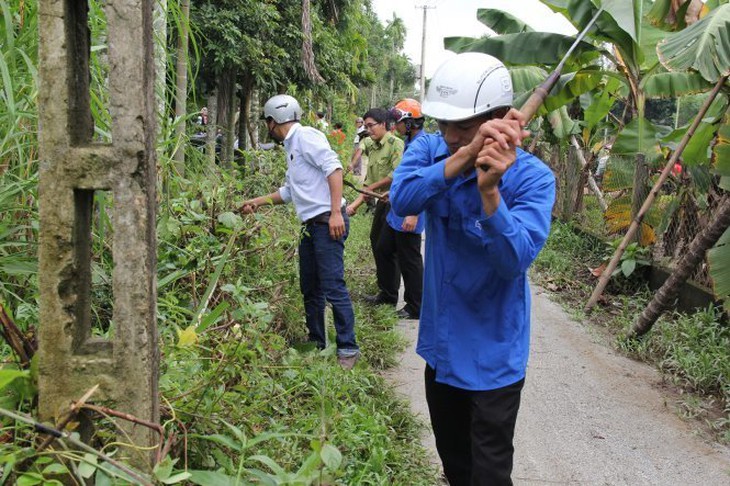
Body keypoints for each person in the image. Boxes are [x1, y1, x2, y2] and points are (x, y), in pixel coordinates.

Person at [390, 52, 556, 484]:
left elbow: (513, 261)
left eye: (462, 126)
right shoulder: (430, 147)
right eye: (443, 123)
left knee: (489, 475)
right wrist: (464, 157)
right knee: (455, 466)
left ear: (499, 117)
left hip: (493, 360)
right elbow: (402, 200)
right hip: (441, 352)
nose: (448, 134)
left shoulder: (534, 179)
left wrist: (490, 195)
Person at [239, 94, 360, 370]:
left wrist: (336, 212)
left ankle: (348, 347)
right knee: (310, 287)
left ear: (273, 121)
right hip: (311, 227)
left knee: (333, 286)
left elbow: (334, 169)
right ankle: (317, 342)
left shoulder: (306, 137)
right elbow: (289, 192)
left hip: (328, 221)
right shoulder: (291, 147)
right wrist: (256, 203)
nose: (267, 127)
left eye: (267, 122)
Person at [373, 98, 427, 320]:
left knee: (410, 259)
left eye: (398, 121)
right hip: (398, 209)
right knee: (384, 248)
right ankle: (388, 295)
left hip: (410, 213)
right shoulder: (409, 143)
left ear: (411, 122)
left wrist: (414, 213)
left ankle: (416, 306)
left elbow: (423, 181)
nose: (394, 126)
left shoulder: (422, 146)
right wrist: (392, 193)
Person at [346, 108, 405, 307]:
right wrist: (354, 205)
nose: (368, 129)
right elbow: (368, 183)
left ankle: (390, 295)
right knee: (376, 242)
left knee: (387, 247)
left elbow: (396, 175)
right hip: (380, 201)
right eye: (365, 126)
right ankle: (385, 292)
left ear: (384, 124)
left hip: (393, 201)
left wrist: (371, 187)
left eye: (371, 125)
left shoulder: (396, 144)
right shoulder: (372, 146)